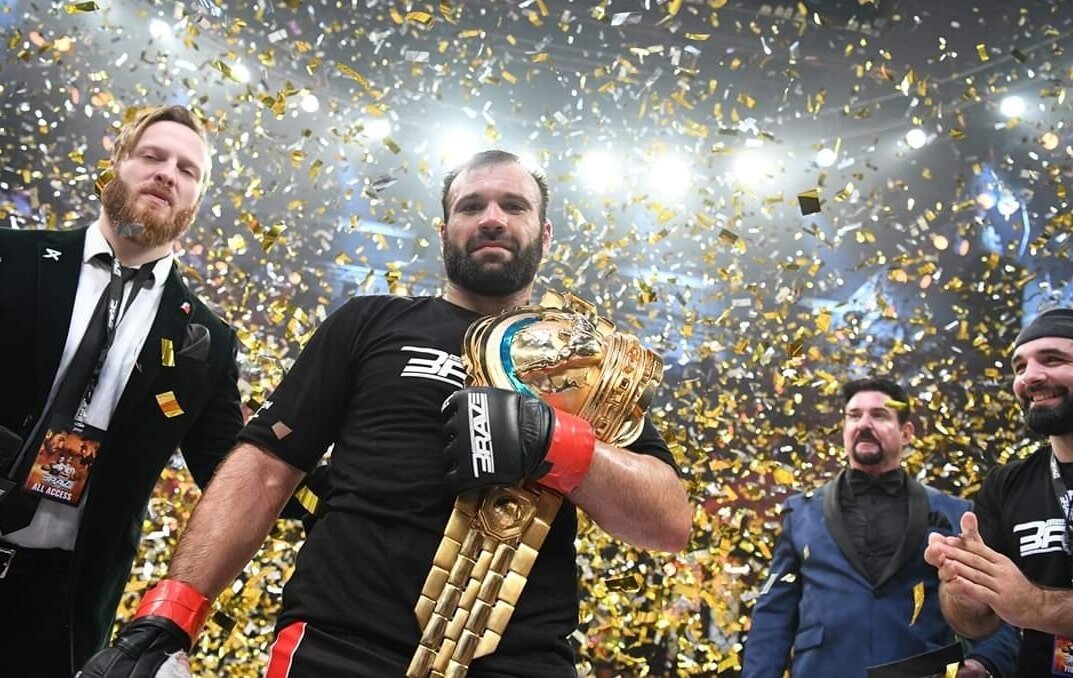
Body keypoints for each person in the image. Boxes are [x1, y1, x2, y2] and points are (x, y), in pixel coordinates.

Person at [80, 149, 692, 677]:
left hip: (520, 660)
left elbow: (668, 522)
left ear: (545, 233)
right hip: (337, 645)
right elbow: (264, 468)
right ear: (444, 230)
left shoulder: (584, 365)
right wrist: (171, 614)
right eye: (471, 206)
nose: (492, 218)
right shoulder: (369, 322)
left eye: (514, 206)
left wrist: (558, 442)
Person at [0, 105, 245, 676]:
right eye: (153, 156)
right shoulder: (11, 257)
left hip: (62, 603)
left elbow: (231, 473)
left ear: (196, 198)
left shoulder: (209, 340)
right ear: (116, 164)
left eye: (187, 169)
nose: (167, 174)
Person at [743, 377, 1018, 678]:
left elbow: (995, 606)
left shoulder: (957, 514)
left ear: (906, 433)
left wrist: (984, 663)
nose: (864, 424)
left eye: (879, 415)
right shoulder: (800, 514)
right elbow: (773, 614)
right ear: (844, 429)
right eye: (854, 415)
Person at [926, 307, 1073, 677]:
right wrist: (962, 589)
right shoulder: (1005, 484)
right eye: (1019, 367)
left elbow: (1027, 605)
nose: (1030, 377)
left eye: (1052, 360)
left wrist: (1037, 605)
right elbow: (977, 624)